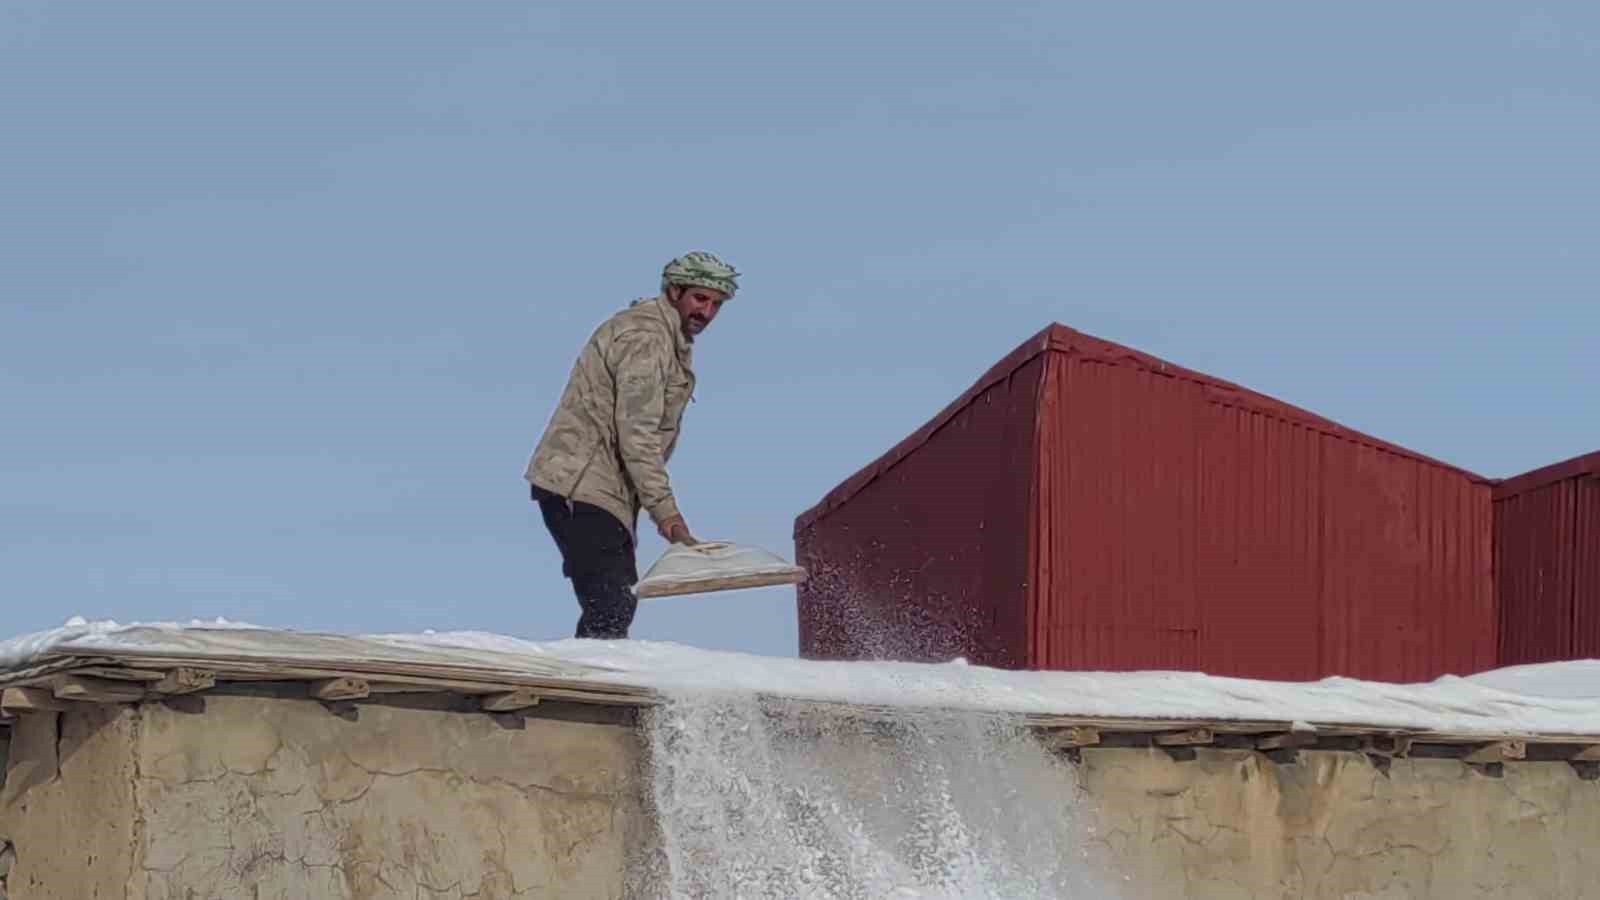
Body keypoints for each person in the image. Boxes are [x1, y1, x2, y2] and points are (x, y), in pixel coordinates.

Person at [524, 251, 739, 639]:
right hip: (580, 482)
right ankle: (587, 690)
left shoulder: (668, 342)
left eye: (716, 304)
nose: (706, 312)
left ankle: (585, 682)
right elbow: (637, 432)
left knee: (613, 603)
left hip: (604, 490)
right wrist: (667, 514)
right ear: (674, 290)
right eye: (700, 299)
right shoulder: (645, 339)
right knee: (611, 603)